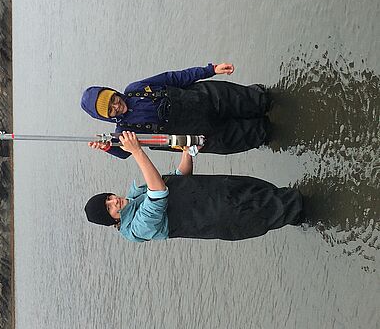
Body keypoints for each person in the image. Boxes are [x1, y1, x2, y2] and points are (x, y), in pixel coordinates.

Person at [84, 132, 303, 242]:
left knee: (272, 192)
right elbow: (159, 194)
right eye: (110, 208)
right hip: (220, 214)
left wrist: (186, 152)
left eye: (109, 198)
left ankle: (305, 205)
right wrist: (137, 151)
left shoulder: (137, 193)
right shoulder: (137, 229)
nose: (114, 201)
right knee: (279, 208)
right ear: (113, 219)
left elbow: (179, 177)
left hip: (217, 188)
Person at [80, 63, 272, 158]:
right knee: (262, 134)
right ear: (107, 118)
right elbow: (125, 153)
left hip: (210, 98)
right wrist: (106, 146)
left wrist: (211, 69)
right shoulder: (125, 133)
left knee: (261, 100)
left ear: (113, 92)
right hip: (206, 136)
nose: (116, 105)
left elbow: (174, 78)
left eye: (113, 98)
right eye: (111, 110)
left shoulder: (135, 89)